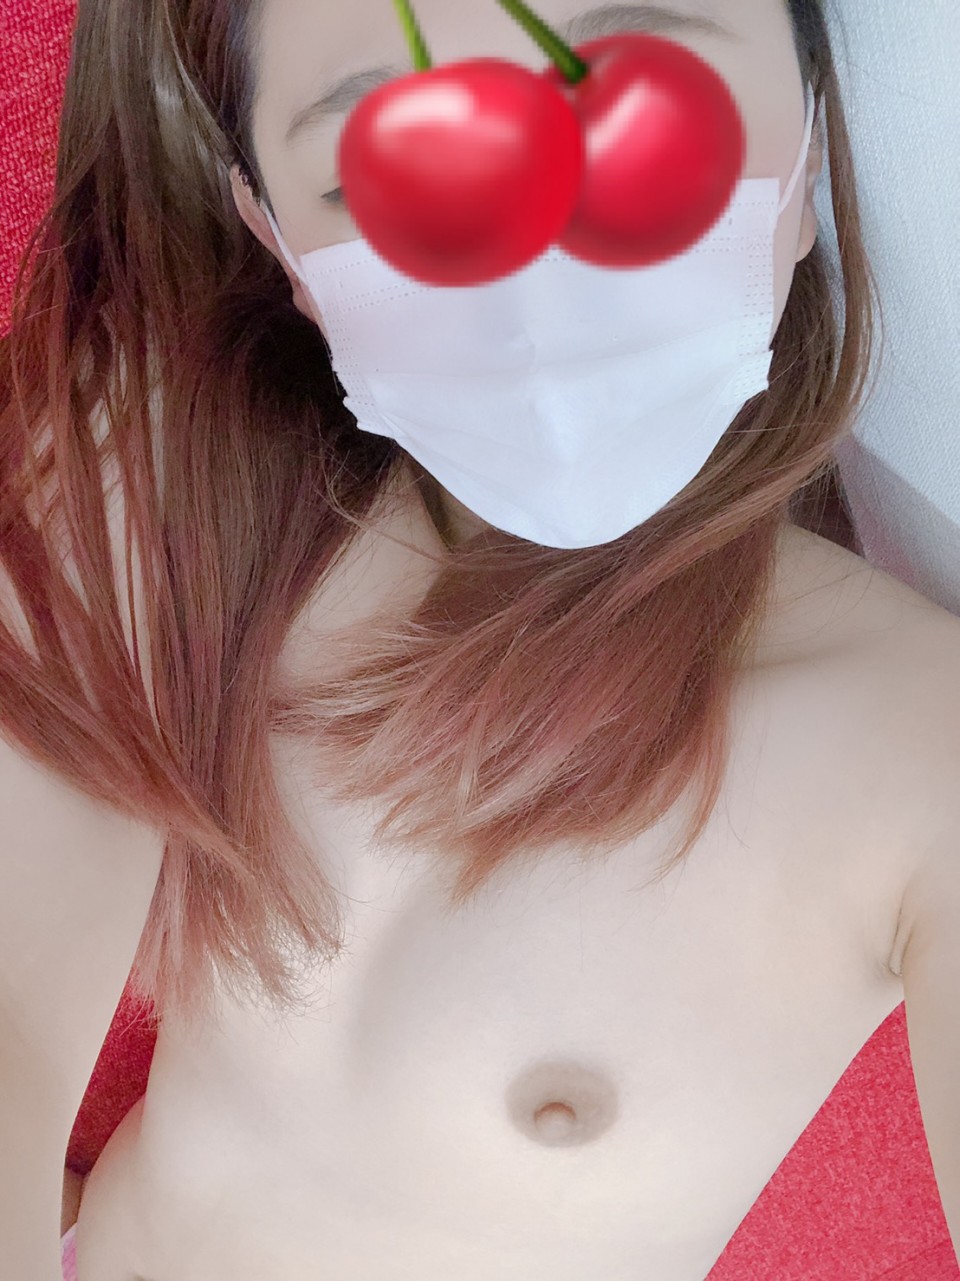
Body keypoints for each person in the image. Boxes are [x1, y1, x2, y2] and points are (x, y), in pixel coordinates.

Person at [1, 1, 958, 1279]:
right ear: (282, 247)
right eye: (385, 168)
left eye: (634, 94)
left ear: (813, 149)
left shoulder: (920, 748)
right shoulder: (177, 487)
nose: (537, 252)